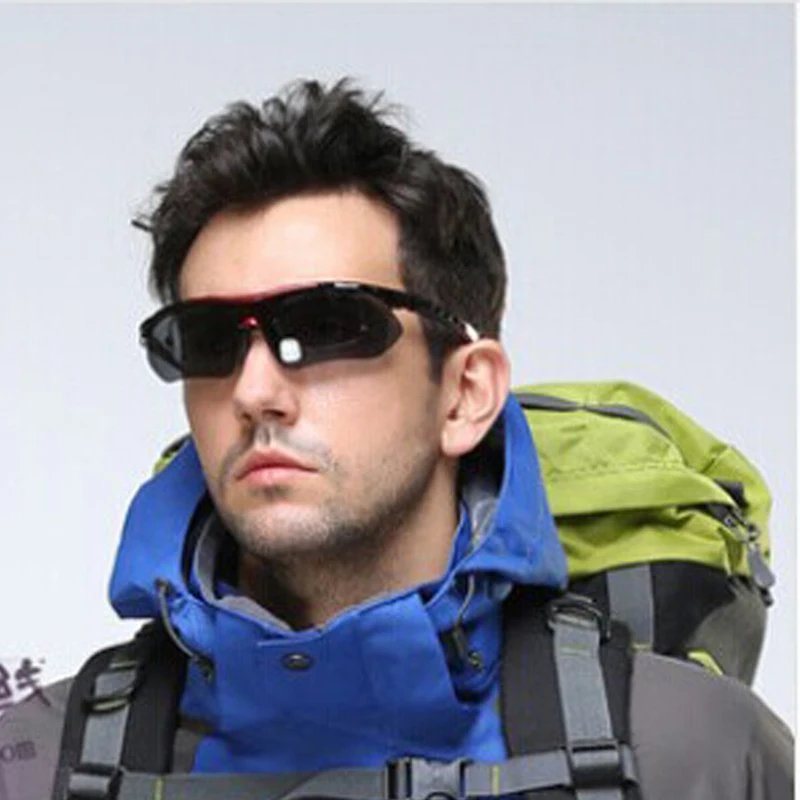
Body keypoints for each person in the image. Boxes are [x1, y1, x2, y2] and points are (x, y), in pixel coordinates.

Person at [0, 78, 792, 800]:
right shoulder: (32, 764)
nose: (253, 391)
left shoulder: (694, 755)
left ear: (466, 394)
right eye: (209, 340)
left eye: (327, 327)